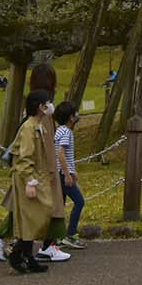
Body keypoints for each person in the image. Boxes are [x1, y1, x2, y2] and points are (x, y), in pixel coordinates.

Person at [0, 90, 64, 274]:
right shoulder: (28, 127)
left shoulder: (37, 125)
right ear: (39, 106)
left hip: (37, 177)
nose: (50, 106)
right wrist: (29, 181)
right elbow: (24, 157)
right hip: (30, 178)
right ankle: (19, 254)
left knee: (38, 216)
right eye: (47, 103)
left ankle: (26, 255)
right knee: (32, 218)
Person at [51, 100, 86, 250]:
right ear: (70, 117)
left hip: (61, 172)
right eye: (75, 113)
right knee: (79, 202)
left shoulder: (59, 130)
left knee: (60, 206)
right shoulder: (66, 132)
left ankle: (56, 237)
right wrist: (67, 174)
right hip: (62, 174)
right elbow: (61, 154)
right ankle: (70, 234)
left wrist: (72, 170)